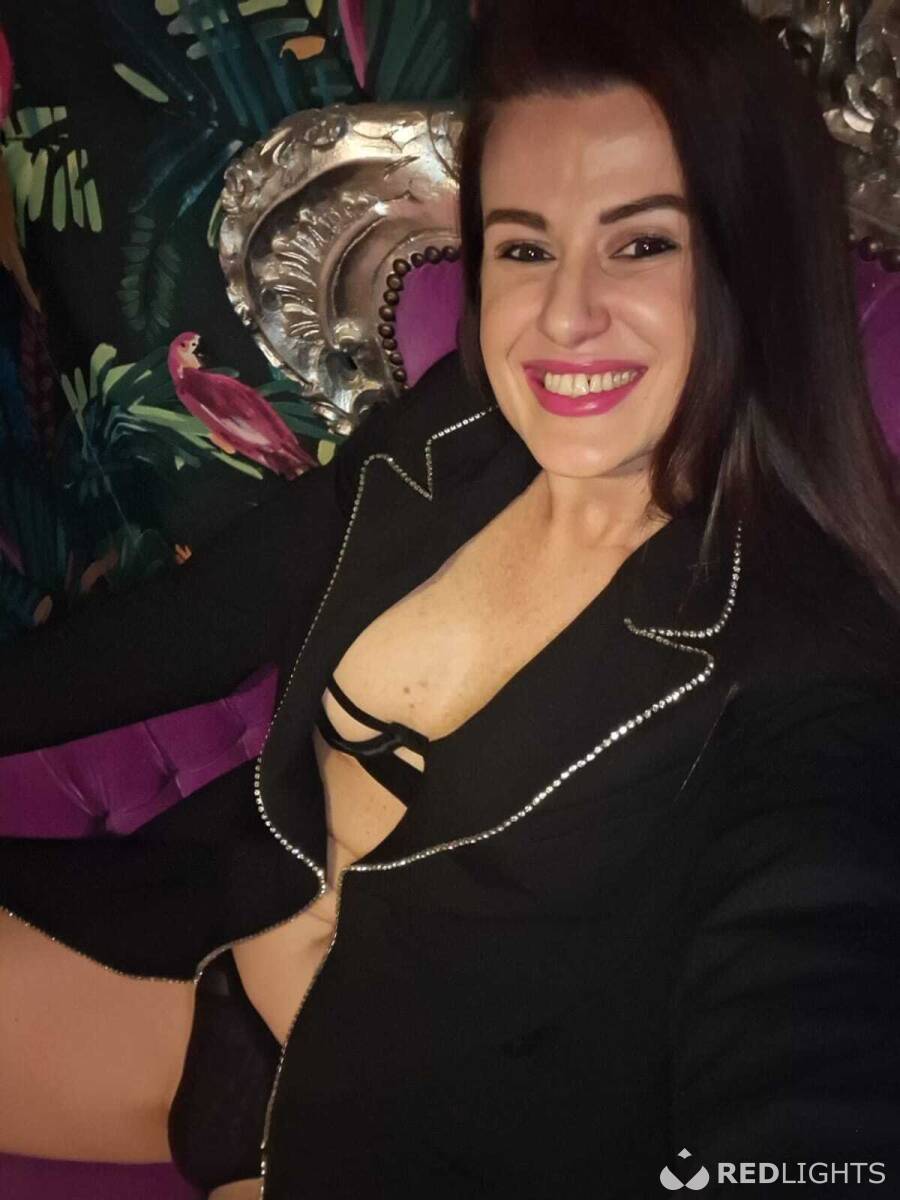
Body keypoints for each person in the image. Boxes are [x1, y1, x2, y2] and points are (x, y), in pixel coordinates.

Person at [3, 0, 900, 1195]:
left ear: (758, 259)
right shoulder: (455, 436)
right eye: (525, 248)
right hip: (207, 986)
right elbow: (200, 624)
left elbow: (810, 1012)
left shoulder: (814, 663)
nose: (566, 316)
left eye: (643, 245)